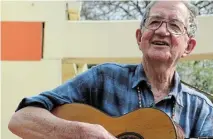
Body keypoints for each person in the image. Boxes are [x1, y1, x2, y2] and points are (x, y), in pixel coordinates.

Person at [8, 1, 213, 139]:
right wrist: (81, 132)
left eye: (174, 25)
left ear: (189, 47)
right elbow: (21, 119)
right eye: (155, 22)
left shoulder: (201, 109)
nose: (161, 30)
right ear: (139, 38)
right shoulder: (104, 78)